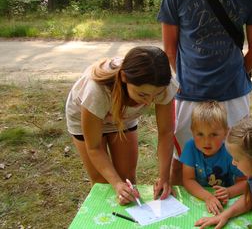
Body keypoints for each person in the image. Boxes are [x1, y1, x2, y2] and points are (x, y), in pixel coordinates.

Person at [158, 0, 252, 185]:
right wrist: (184, 81)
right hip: (189, 94)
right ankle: (178, 213)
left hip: (233, 95)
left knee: (238, 160)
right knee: (183, 158)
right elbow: (170, 50)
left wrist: (234, 76)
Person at [65, 46, 179, 205]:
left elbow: (166, 133)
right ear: (124, 77)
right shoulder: (96, 91)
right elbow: (94, 147)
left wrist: (164, 177)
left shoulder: (164, 84)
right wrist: (116, 184)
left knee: (128, 181)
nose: (148, 102)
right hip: (85, 114)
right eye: (142, 94)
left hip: (124, 116)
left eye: (156, 95)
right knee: (103, 184)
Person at [180, 101, 247, 215]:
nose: (206, 141)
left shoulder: (230, 152)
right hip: (198, 197)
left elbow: (245, 181)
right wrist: (208, 197)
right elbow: (188, 179)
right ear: (192, 131)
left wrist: (229, 192)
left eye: (214, 134)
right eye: (200, 134)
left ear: (226, 133)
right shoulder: (190, 147)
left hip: (225, 200)